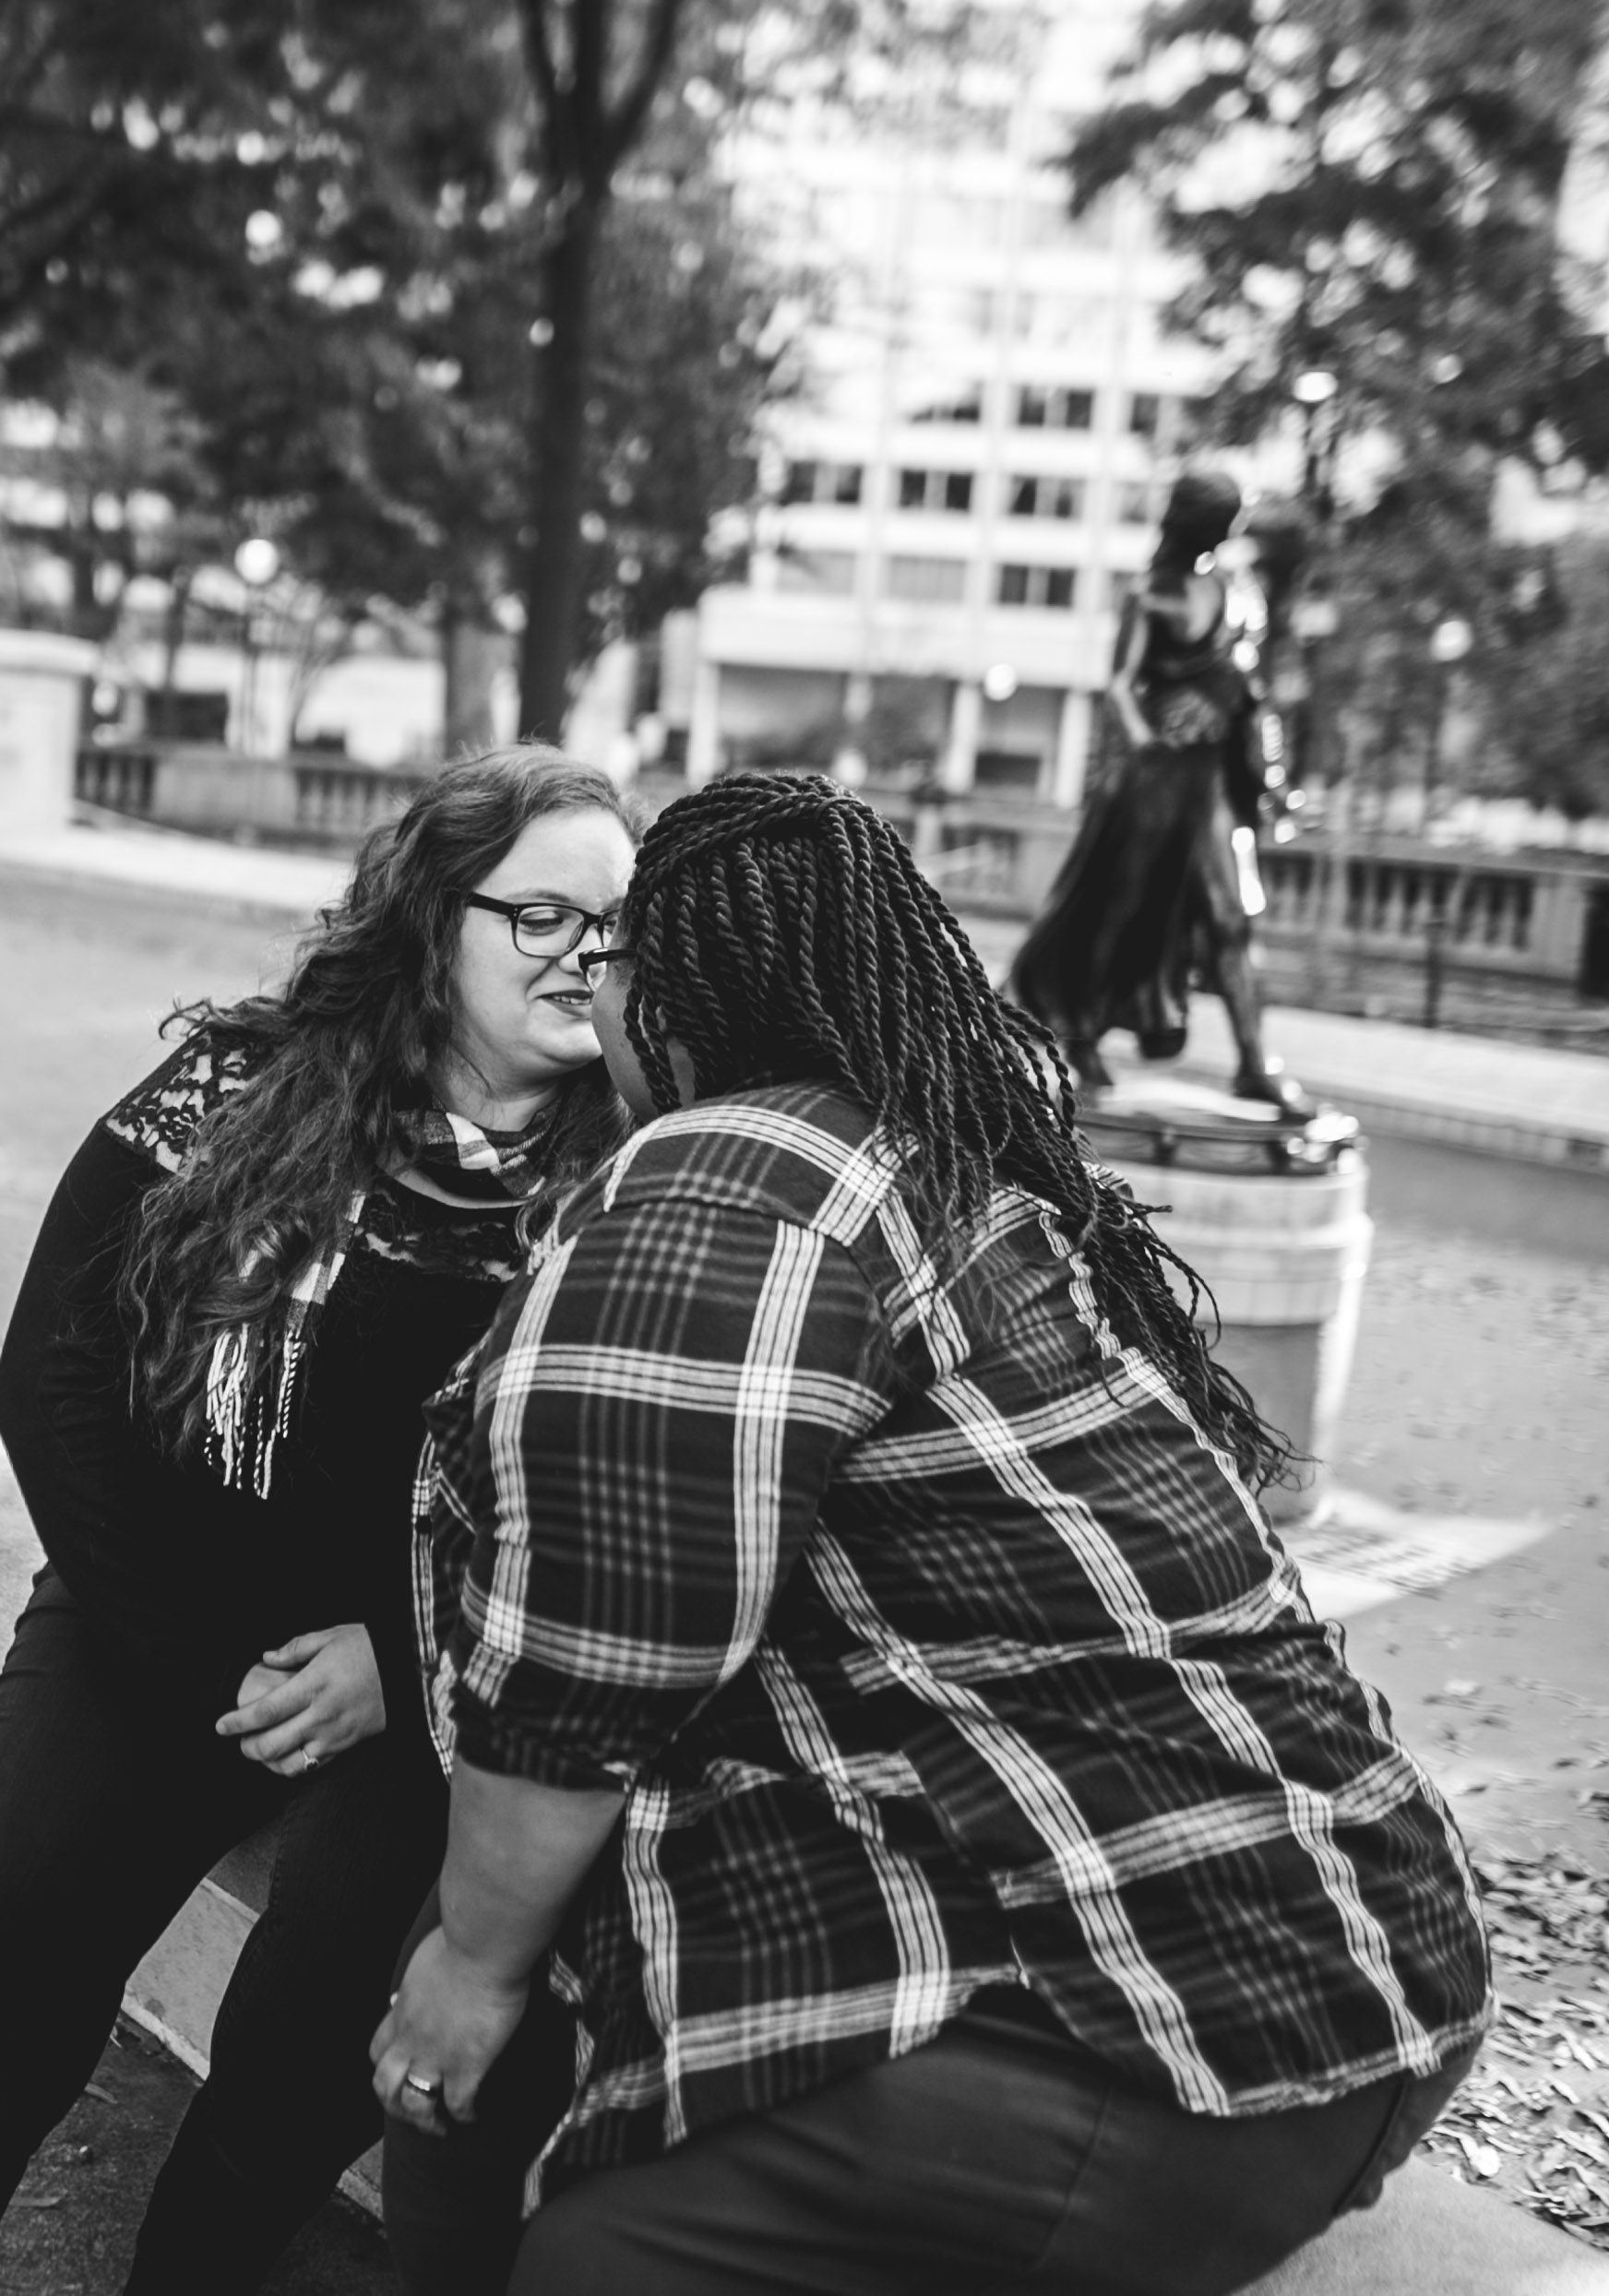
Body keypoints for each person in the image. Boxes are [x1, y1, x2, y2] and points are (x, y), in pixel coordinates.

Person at [374, 770, 1488, 2296]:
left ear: (676, 990)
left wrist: (471, 1965)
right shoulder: (946, 1167)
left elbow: (597, 1652)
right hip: (1352, 1958)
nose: (592, 982)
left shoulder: (730, 1182)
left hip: (1160, 2037)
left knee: (598, 2264)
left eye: (617, 946)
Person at [0, 745, 637, 2296]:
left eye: (615, 923)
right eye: (541, 915)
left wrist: (398, 1660)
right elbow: (54, 1380)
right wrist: (197, 1653)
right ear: (431, 915)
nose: (587, 956)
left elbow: (611, 1500)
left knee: (322, 2002)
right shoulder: (243, 1088)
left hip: (432, 1663)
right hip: (167, 1590)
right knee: (12, 1908)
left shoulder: (634, 1181)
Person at [1006, 469, 1302, 1105]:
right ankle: (1080, 1037)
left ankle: (1254, 1062)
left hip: (1216, 780)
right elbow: (1118, 685)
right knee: (1120, 916)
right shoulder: (1150, 595)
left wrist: (1271, 776)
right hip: (1156, 787)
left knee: (1233, 914)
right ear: (1198, 520)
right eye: (1229, 515)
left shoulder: (1240, 588)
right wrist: (1147, 740)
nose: (1238, 526)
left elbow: (1251, 692)